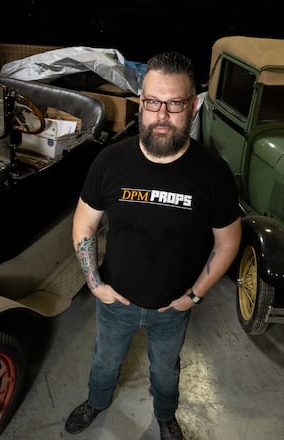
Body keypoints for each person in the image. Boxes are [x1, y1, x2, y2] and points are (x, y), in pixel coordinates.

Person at [65, 50, 243, 440]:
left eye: (175, 103)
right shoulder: (110, 163)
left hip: (172, 307)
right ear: (140, 104)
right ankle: (97, 401)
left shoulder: (213, 174)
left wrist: (194, 297)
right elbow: (84, 222)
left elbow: (228, 241)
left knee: (166, 370)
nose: (161, 115)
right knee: (104, 360)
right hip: (116, 301)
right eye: (152, 102)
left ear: (193, 106)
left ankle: (165, 416)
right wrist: (95, 283)